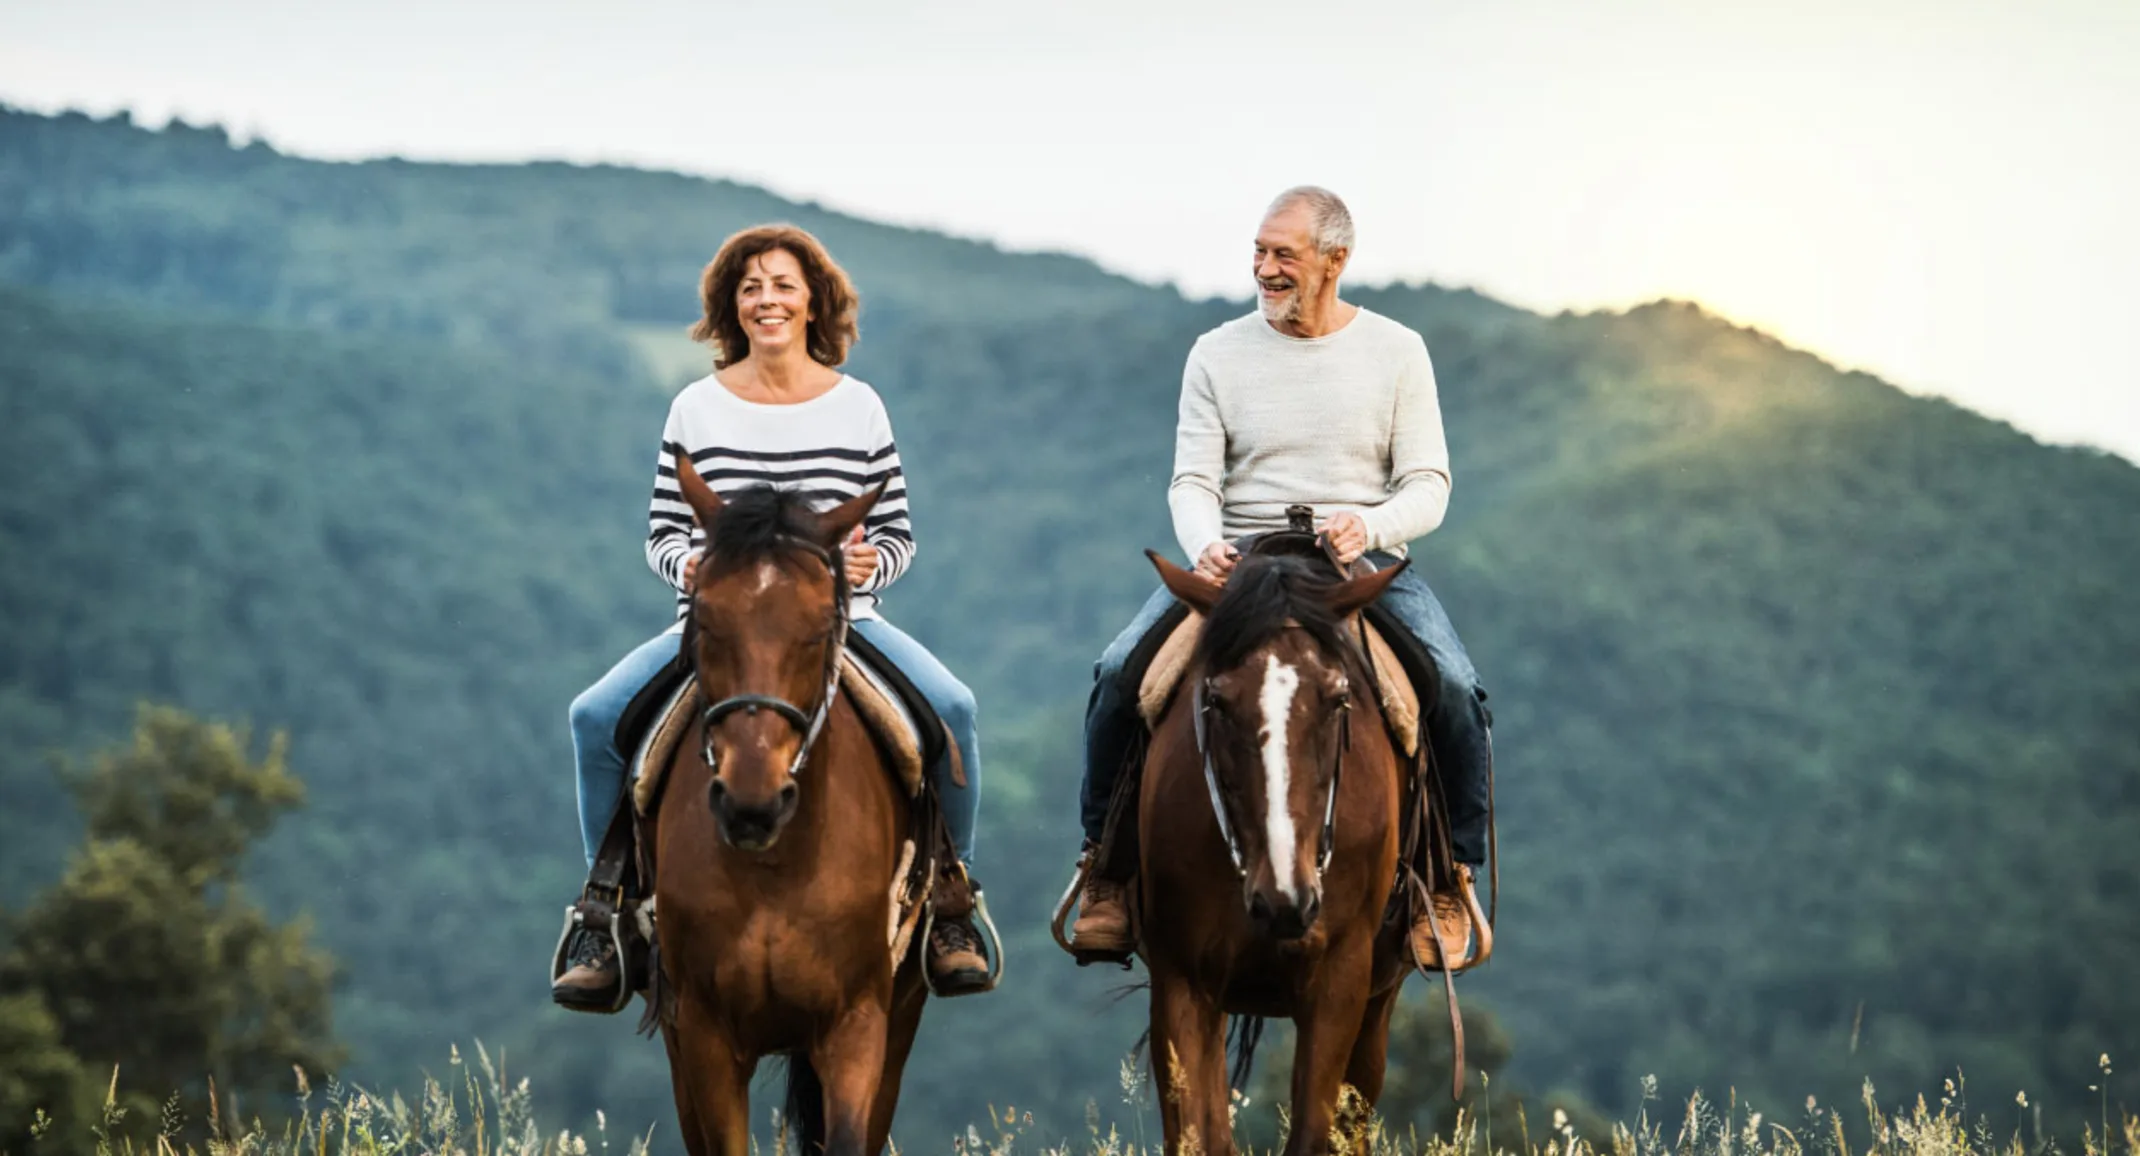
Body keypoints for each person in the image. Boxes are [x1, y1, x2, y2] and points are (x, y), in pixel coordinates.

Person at [552, 224, 990, 1006]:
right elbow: (661, 532)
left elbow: (896, 536)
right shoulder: (695, 407)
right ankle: (606, 906)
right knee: (595, 716)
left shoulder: (859, 408)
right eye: (750, 287)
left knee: (952, 709)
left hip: (839, 625)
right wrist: (686, 566)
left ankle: (950, 901)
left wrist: (866, 566)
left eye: (783, 284)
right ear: (732, 306)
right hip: (718, 624)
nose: (767, 300)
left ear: (814, 299)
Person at [1069, 187, 1495, 969]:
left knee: (1456, 687)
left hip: (1352, 564)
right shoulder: (1216, 352)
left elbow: (1428, 483)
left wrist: (1370, 525)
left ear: (1335, 261)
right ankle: (1106, 871)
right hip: (1241, 562)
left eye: (1283, 256)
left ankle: (1447, 879)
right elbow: (1192, 480)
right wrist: (1204, 544)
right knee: (1119, 672)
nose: (1265, 269)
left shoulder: (1398, 351)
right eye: (1260, 253)